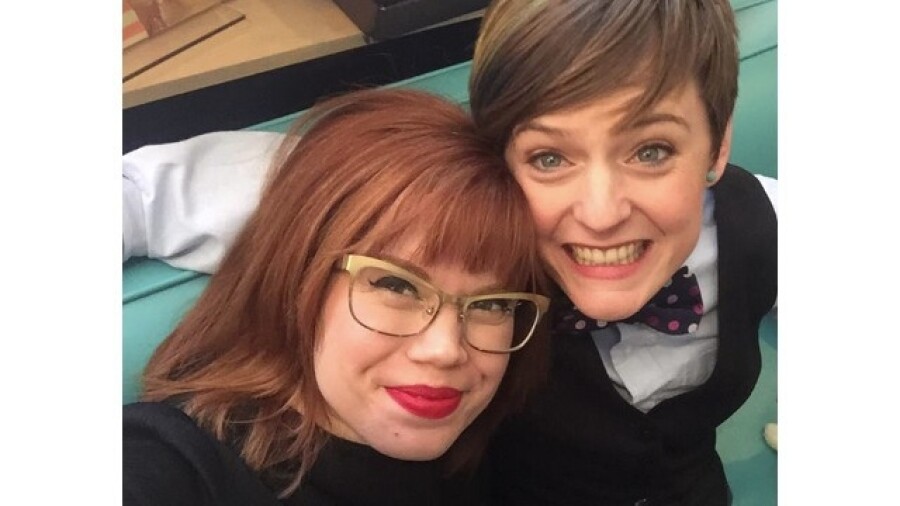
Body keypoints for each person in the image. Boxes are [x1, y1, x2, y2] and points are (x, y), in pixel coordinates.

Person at [122, 1, 777, 504]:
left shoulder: (759, 220)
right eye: (549, 157)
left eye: (652, 151)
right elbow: (157, 197)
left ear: (718, 146)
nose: (601, 214)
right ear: (496, 156)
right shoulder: (414, 212)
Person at [122, 88, 552, 505]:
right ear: (295, 275)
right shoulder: (176, 466)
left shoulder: (501, 439)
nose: (445, 350)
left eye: (491, 304)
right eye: (396, 286)